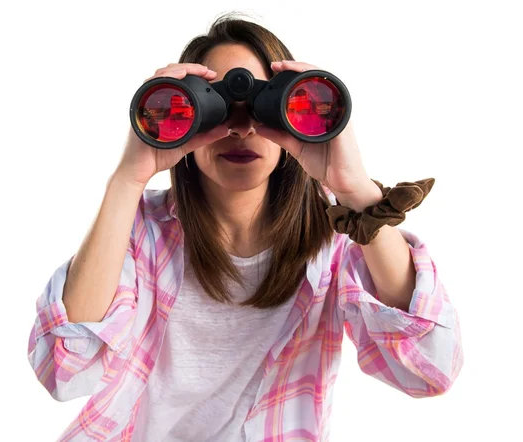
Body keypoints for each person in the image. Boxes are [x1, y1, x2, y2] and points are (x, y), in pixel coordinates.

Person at [27, 14, 463, 442]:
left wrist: (355, 191)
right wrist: (128, 179)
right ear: (189, 120)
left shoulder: (333, 239)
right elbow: (64, 370)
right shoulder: (145, 232)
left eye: (263, 105)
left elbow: (430, 369)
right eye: (214, 106)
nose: (241, 128)